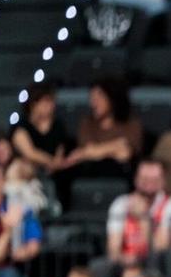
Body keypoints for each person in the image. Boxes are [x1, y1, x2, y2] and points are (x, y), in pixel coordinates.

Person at [90, 160, 171, 277]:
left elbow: (161, 246)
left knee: (160, 259)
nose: (149, 185)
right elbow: (113, 248)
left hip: (154, 260)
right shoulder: (121, 203)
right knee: (99, 267)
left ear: (163, 181)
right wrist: (124, 259)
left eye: (154, 180)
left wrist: (143, 218)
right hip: (126, 259)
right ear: (136, 180)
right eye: (145, 179)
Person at [54, 76, 144, 210]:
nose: (94, 103)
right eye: (92, 98)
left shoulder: (132, 124)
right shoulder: (86, 123)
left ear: (112, 98)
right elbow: (86, 149)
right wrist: (116, 146)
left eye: (99, 98)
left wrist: (93, 151)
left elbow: (126, 154)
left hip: (121, 171)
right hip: (90, 170)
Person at [11, 84, 69, 176]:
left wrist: (56, 163)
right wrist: (50, 161)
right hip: (28, 172)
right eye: (46, 102)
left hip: (55, 172)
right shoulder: (21, 127)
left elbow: (60, 148)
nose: (51, 106)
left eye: (52, 102)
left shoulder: (58, 125)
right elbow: (29, 153)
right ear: (33, 104)